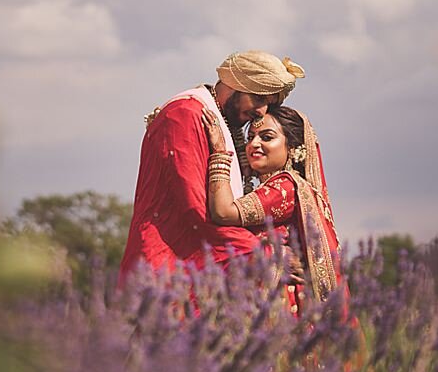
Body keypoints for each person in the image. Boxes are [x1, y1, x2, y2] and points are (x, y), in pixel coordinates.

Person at [118, 51, 305, 286]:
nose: (261, 112)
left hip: (194, 274)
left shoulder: (216, 119)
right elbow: (197, 214)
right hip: (168, 273)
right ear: (236, 83)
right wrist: (265, 256)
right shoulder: (186, 115)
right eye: (259, 99)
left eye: (268, 104)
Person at [202, 105, 343, 308]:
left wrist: (219, 153)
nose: (254, 144)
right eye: (250, 138)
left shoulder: (286, 186)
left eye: (266, 137)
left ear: (293, 148)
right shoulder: (274, 188)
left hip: (281, 303)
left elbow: (223, 212)